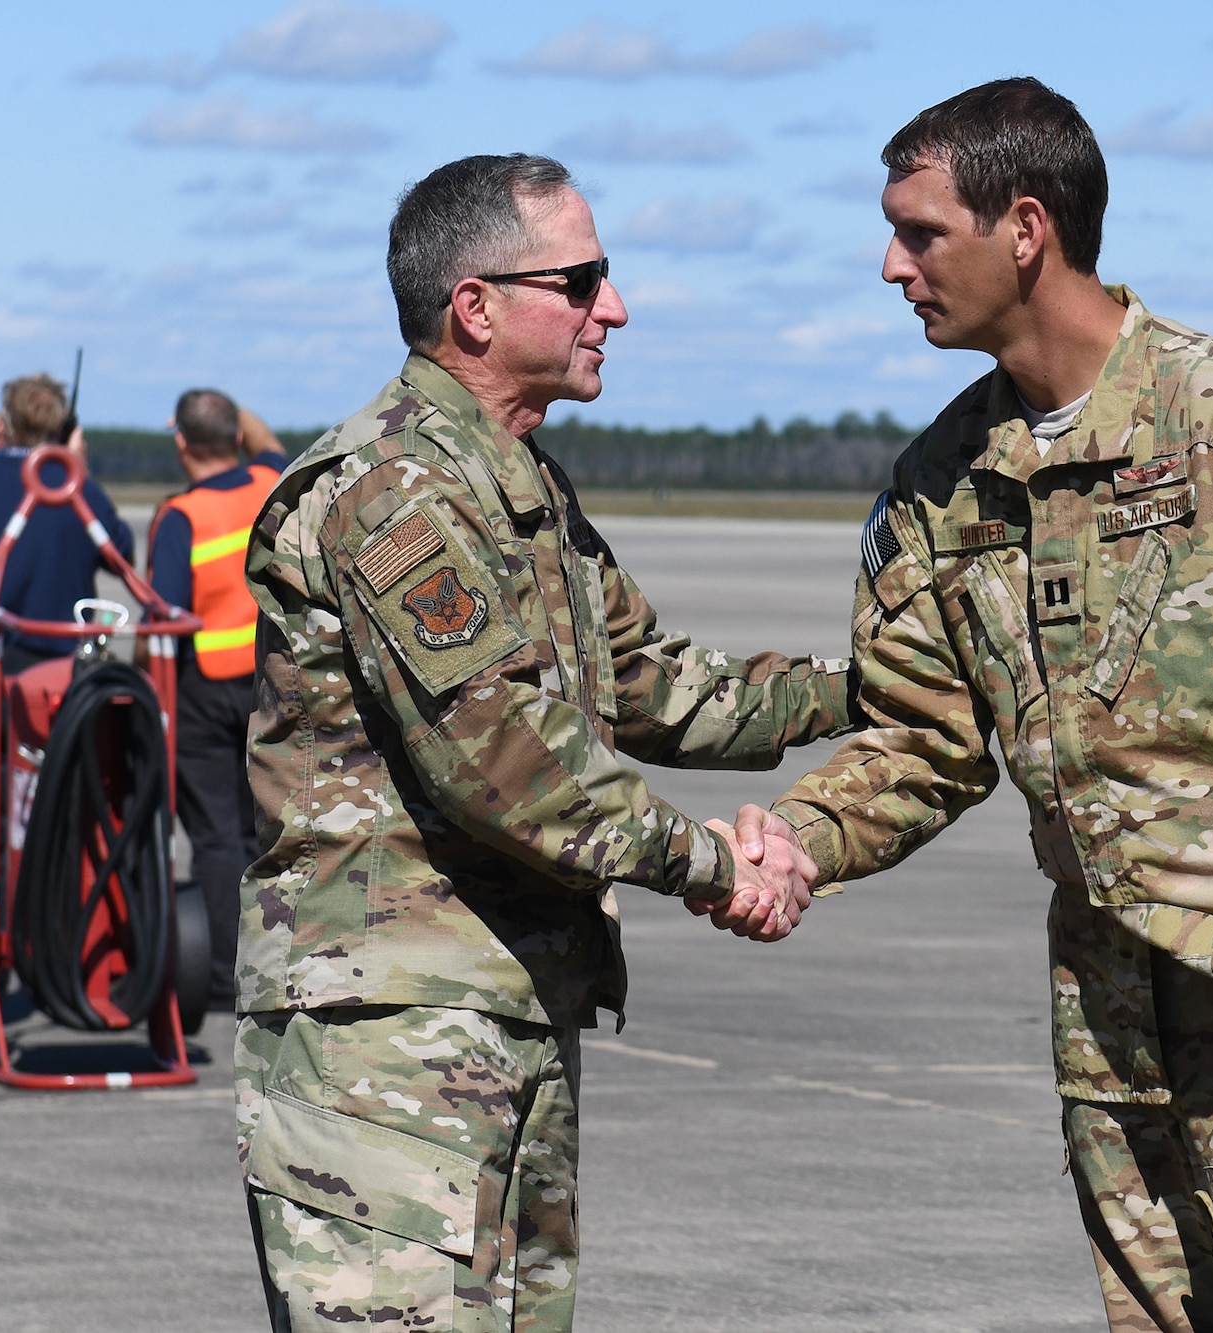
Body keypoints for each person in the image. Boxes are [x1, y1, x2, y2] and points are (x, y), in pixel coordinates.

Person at [727, 78, 1213, 1333]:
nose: (888, 266)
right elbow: (924, 738)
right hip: (1112, 1026)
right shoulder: (942, 484)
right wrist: (797, 839)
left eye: (917, 232)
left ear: (1023, 227)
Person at [234, 153, 853, 1332]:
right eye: (582, 279)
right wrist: (719, 866)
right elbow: (508, 767)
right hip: (390, 1049)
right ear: (476, 306)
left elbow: (654, 684)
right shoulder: (396, 487)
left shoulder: (514, 485)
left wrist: (877, 687)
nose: (612, 307)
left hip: (496, 1026)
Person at [143, 389, 287, 1010]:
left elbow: (163, 619)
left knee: (213, 835)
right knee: (261, 827)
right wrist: (232, 413)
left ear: (180, 444)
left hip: (202, 688)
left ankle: (229, 972)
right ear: (233, 435)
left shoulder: (181, 516)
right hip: (265, 680)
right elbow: (270, 444)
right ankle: (272, 959)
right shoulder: (266, 481)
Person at [0, 373, 133, 674]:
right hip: (62, 665)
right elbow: (123, 556)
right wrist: (79, 468)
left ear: (3, 424)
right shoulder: (78, 489)